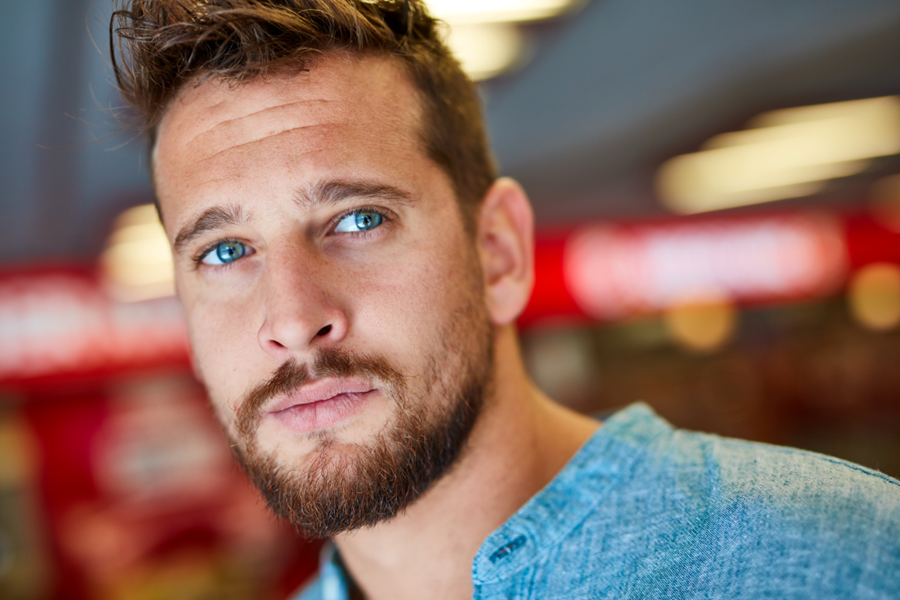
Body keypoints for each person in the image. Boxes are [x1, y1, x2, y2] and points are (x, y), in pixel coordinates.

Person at [109, 1, 900, 598]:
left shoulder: (841, 558)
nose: (291, 319)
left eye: (358, 219)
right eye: (224, 251)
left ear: (499, 253)